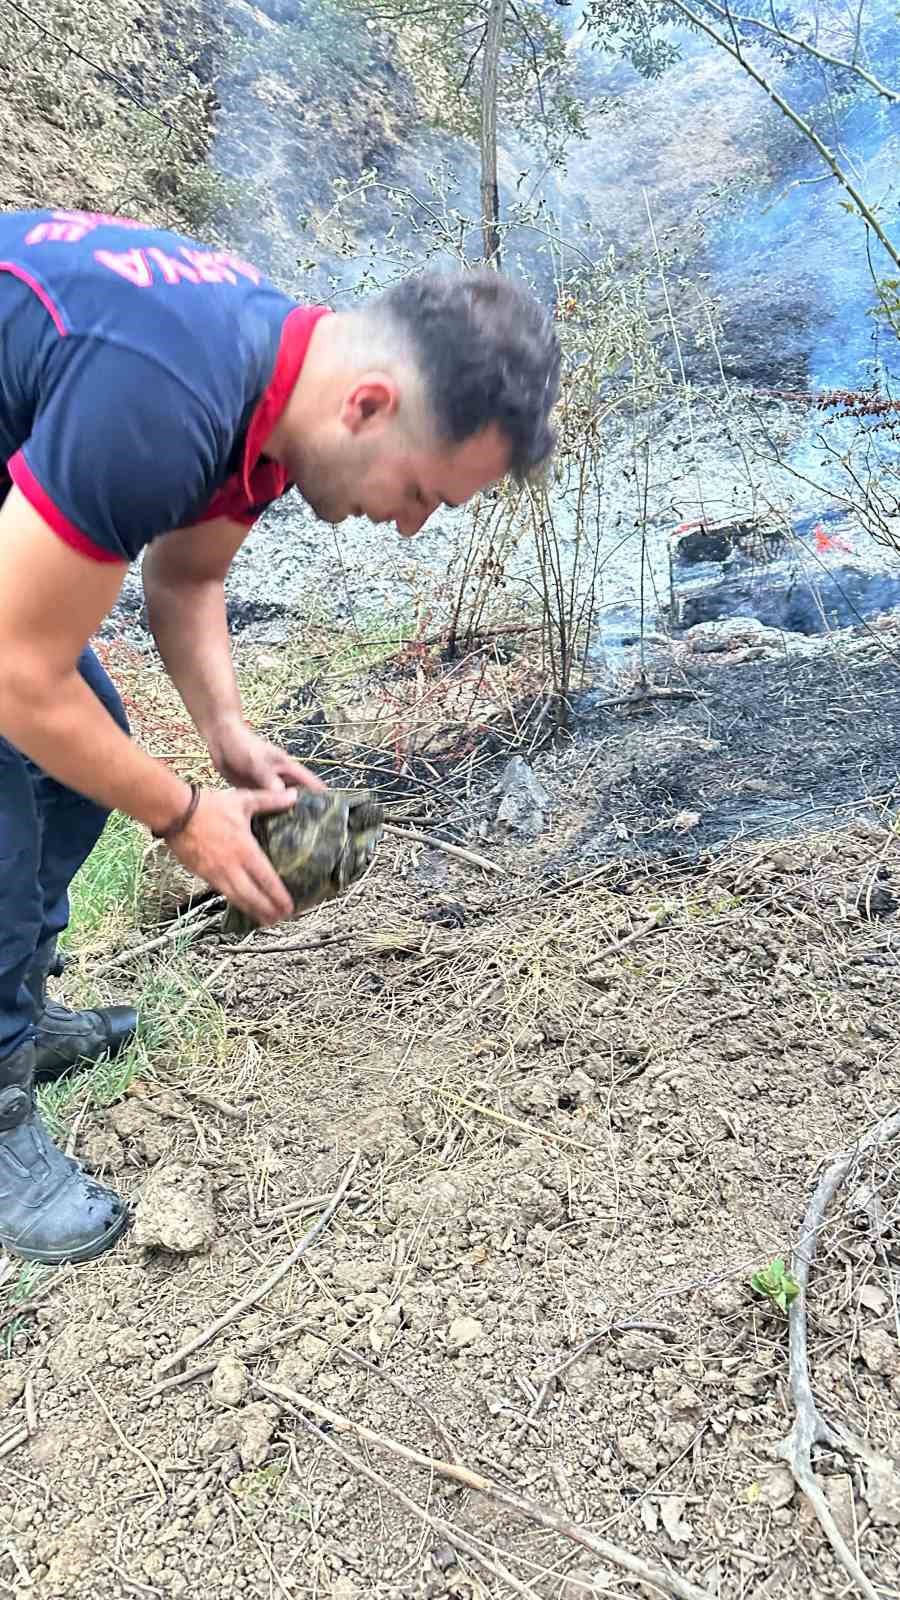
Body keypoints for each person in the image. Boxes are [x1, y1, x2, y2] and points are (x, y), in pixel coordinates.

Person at [0, 206, 561, 1267]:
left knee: (79, 768)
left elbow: (187, 573)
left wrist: (227, 738)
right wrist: (181, 818)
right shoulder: (168, 393)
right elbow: (16, 670)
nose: (408, 524)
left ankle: (17, 1013)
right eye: (420, 492)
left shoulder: (274, 384)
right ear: (370, 406)